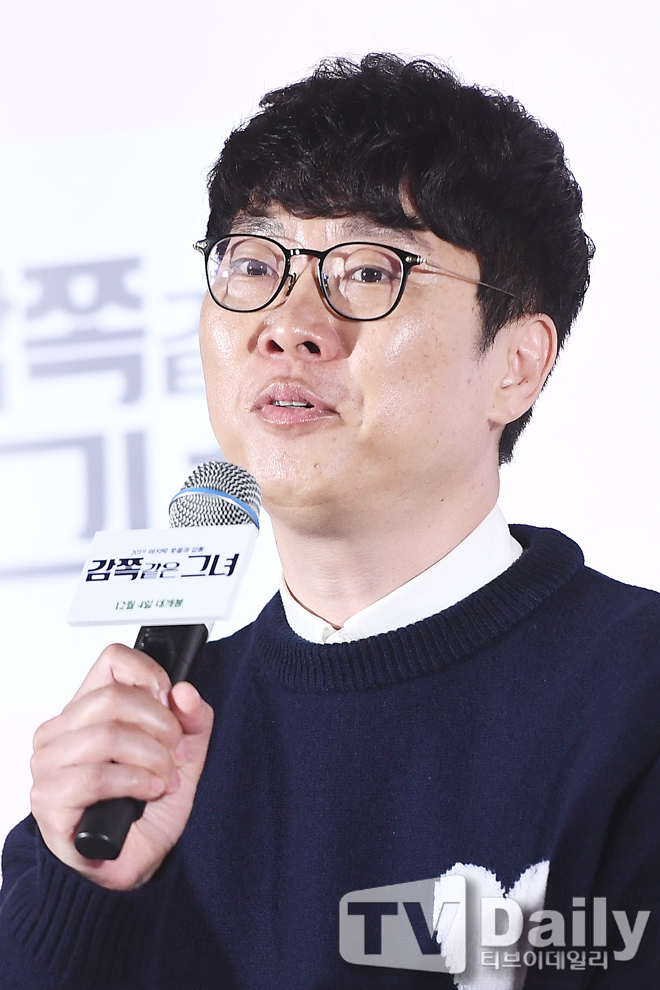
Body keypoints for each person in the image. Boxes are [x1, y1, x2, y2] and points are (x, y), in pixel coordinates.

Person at [1, 53, 658, 989]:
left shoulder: (633, 697)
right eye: (254, 262)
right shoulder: (140, 754)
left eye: (368, 271)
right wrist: (85, 889)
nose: (288, 322)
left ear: (516, 365)